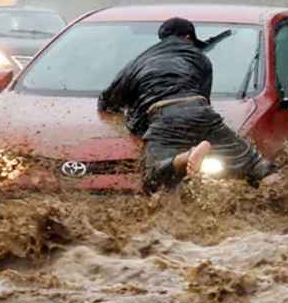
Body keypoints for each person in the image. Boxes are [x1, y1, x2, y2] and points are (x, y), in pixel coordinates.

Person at [98, 17, 275, 193]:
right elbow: (204, 100)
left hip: (163, 115)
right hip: (200, 110)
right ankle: (285, 199)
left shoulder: (138, 62)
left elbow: (107, 101)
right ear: (189, 38)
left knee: (152, 179)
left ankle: (186, 157)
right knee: (255, 164)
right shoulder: (200, 59)